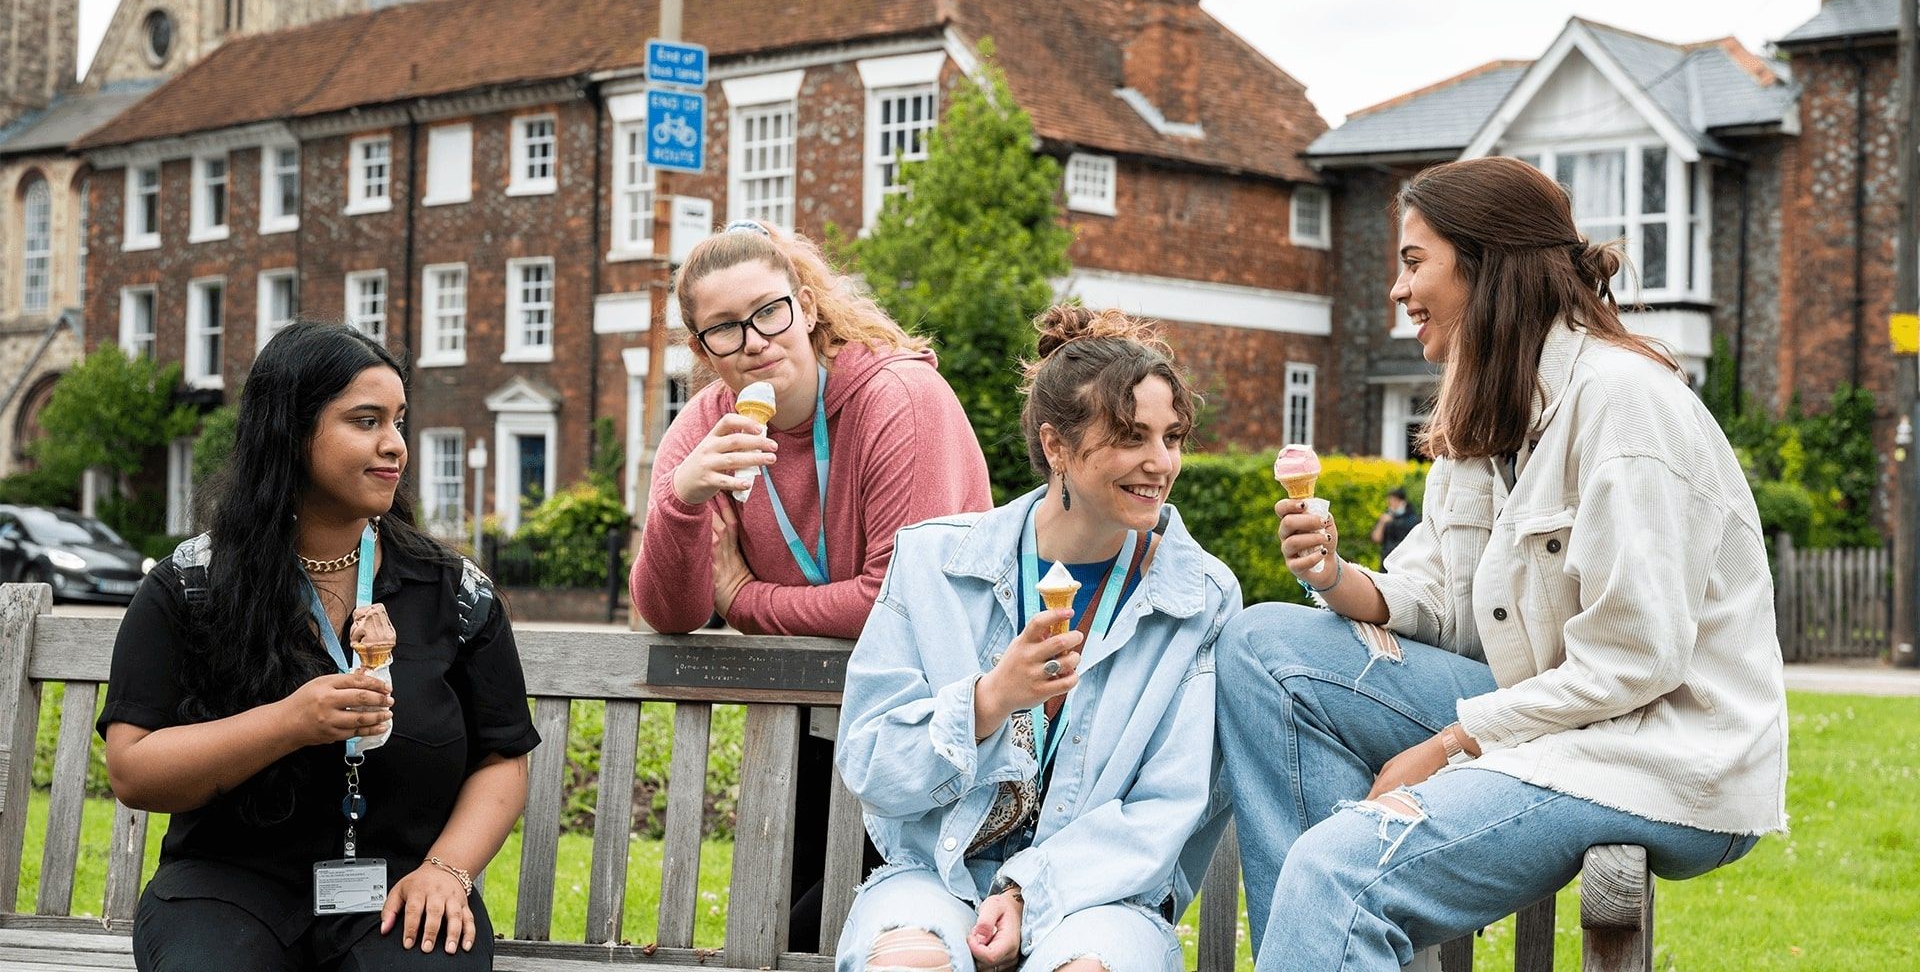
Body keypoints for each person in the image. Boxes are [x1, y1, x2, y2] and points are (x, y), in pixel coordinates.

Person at [1217, 156, 1787, 971]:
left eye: (1416, 262)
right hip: (1548, 713)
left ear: (1486, 266)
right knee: (1261, 649)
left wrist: (1451, 744)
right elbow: (1449, 604)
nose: (1397, 289)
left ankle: (1333, 910)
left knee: (1338, 871)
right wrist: (1337, 576)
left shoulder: (1626, 404)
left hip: (1654, 748)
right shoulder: (1490, 407)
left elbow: (1636, 661)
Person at [99, 322, 540, 971]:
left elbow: (503, 757)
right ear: (289, 431)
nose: (395, 446)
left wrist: (448, 871)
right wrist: (288, 723)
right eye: (366, 421)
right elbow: (133, 770)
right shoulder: (190, 588)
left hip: (398, 890)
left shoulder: (454, 592)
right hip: (228, 887)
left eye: (398, 421)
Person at [833, 305, 1241, 972]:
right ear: (1056, 446)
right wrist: (990, 700)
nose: (1159, 463)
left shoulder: (1200, 597)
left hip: (1103, 899)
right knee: (909, 963)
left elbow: (1171, 802)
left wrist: (1030, 891)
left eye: (1172, 437)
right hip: (936, 877)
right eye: (1131, 437)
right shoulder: (933, 564)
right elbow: (873, 762)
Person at [629, 219, 993, 948]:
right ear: (701, 350)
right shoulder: (708, 424)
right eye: (724, 330)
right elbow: (669, 612)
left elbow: (897, 601)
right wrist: (684, 499)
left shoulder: (899, 397)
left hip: (935, 728)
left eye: (769, 312)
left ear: (806, 304)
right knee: (775, 939)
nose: (755, 339)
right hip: (805, 727)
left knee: (816, 935)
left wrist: (744, 599)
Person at [1368, 487, 1419, 562]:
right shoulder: (1387, 517)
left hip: (1404, 559)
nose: (1391, 504)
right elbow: (1376, 538)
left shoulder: (1412, 518)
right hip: (1387, 559)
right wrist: (1382, 523)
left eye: (1394, 500)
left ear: (1402, 501)